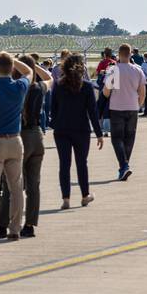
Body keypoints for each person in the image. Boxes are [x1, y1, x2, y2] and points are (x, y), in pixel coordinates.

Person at [0, 52, 35, 243]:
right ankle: (15, 227)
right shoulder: (19, 86)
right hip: (14, 139)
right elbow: (29, 71)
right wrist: (14, 60)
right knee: (16, 187)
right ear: (11, 68)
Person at [0, 53, 50, 239]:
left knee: (11, 183)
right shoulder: (38, 88)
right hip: (37, 136)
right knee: (34, 184)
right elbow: (50, 78)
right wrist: (33, 67)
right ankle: (30, 224)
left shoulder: (18, 88)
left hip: (21, 135)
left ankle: (2, 224)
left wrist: (14, 61)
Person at [50, 53, 103, 209]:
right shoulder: (87, 86)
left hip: (61, 129)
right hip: (81, 129)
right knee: (82, 163)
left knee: (64, 164)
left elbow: (53, 109)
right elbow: (92, 112)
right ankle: (85, 195)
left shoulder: (58, 85)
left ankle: (66, 198)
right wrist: (99, 133)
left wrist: (56, 124)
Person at [103, 43, 145, 180]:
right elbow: (142, 92)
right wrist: (138, 105)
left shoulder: (113, 69)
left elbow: (106, 92)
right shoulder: (138, 70)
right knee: (129, 138)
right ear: (130, 54)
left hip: (117, 107)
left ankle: (124, 165)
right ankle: (125, 164)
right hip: (132, 107)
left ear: (119, 54)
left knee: (116, 138)